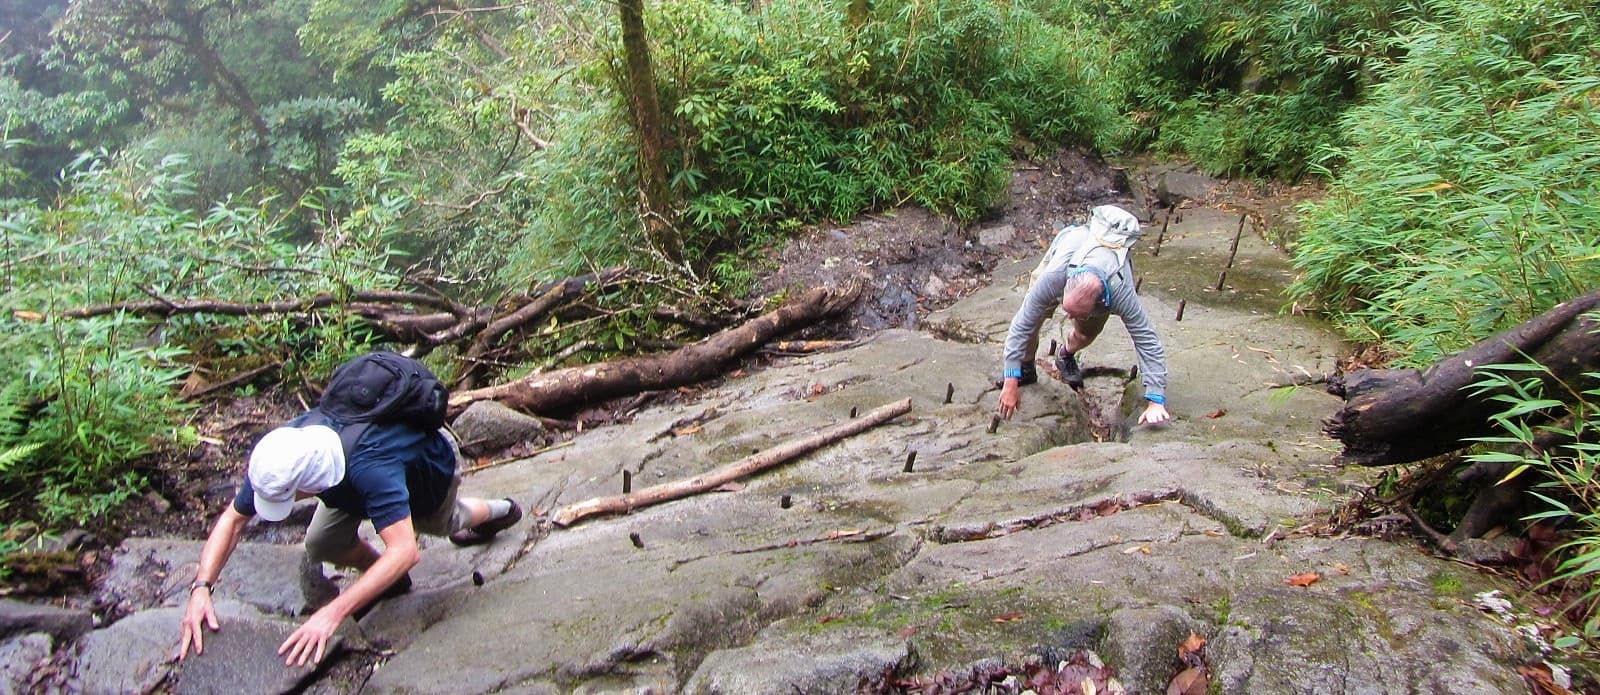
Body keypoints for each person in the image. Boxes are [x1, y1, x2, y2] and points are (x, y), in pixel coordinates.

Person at [177, 409, 523, 667]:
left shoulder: (369, 467)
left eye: (286, 499)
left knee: (446, 522)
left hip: (424, 467)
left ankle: (502, 509)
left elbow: (405, 550)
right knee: (322, 542)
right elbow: (234, 520)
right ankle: (389, 581)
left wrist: (332, 613)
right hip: (349, 486)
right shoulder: (281, 456)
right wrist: (201, 588)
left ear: (306, 485)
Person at [997, 204, 1171, 426]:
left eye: (1075, 313)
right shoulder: (1055, 276)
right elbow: (1022, 324)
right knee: (1034, 321)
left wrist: (1156, 399)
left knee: (1085, 335)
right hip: (1066, 250)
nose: (1067, 317)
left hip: (1102, 286)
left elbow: (1146, 339)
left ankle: (1066, 354)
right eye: (1067, 311)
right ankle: (1026, 368)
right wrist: (1011, 379)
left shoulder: (1120, 291)